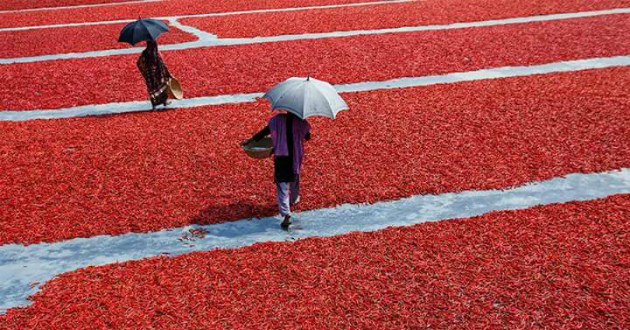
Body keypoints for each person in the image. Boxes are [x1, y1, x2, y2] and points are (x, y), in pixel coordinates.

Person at [244, 112, 311, 229]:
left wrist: (250, 141)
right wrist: (302, 123)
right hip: (294, 157)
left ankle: (286, 214)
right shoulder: (301, 122)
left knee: (282, 185)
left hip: (281, 155)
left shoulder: (277, 119)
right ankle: (293, 199)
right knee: (294, 178)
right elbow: (308, 137)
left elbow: (265, 131)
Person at [137, 40, 171, 110]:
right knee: (161, 85)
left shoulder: (145, 53)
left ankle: (154, 104)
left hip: (149, 75)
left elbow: (138, 63)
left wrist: (144, 71)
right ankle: (164, 100)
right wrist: (168, 73)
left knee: (152, 89)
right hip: (157, 73)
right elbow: (161, 63)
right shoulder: (155, 54)